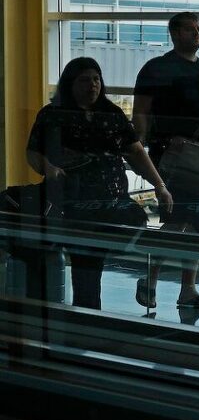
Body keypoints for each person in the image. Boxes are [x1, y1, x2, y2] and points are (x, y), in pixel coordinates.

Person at [26, 57, 173, 309]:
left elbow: (136, 152)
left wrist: (160, 186)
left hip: (110, 199)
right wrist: (48, 168)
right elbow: (32, 152)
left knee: (97, 253)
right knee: (87, 260)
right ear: (70, 84)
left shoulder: (111, 114)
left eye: (96, 79)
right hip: (74, 201)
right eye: (85, 80)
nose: (92, 85)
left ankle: (88, 311)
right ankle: (88, 312)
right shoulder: (53, 115)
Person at [132, 12, 199, 312]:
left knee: (196, 221)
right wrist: (141, 150)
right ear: (175, 34)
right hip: (174, 157)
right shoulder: (157, 69)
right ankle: (159, 281)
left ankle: (178, 286)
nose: (198, 35)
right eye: (192, 30)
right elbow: (141, 113)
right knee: (180, 219)